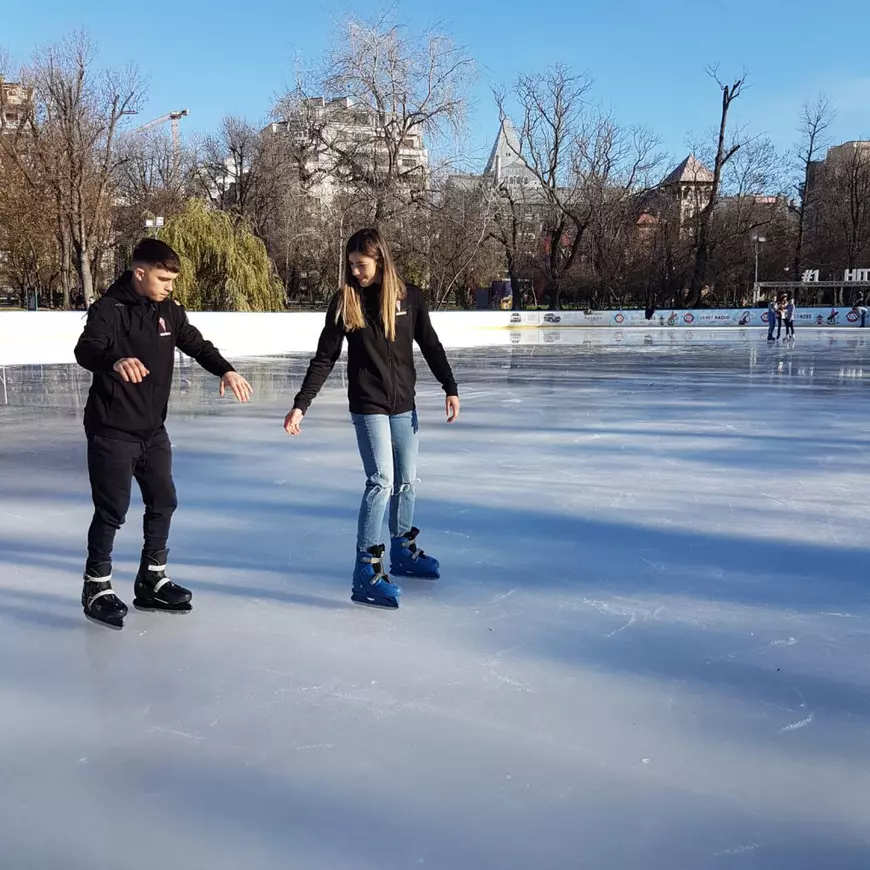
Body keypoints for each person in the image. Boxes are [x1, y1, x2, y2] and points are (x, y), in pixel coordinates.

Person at [74, 239, 253, 628]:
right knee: (112, 510)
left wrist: (226, 369)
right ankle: (96, 586)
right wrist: (115, 360)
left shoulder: (170, 312)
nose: (170, 285)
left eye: (172, 278)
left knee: (163, 500)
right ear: (140, 273)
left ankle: (151, 579)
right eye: (163, 278)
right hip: (112, 428)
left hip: (152, 429)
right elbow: (86, 349)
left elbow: (198, 345)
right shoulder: (110, 309)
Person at [284, 227, 460, 609]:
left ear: (380, 260)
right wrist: (302, 404)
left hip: (404, 405)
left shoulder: (409, 297)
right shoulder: (345, 301)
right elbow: (324, 358)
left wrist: (450, 386)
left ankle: (402, 549)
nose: (355, 272)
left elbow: (429, 344)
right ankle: (366, 568)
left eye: (361, 265)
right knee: (381, 480)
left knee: (407, 481)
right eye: (350, 266)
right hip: (367, 405)